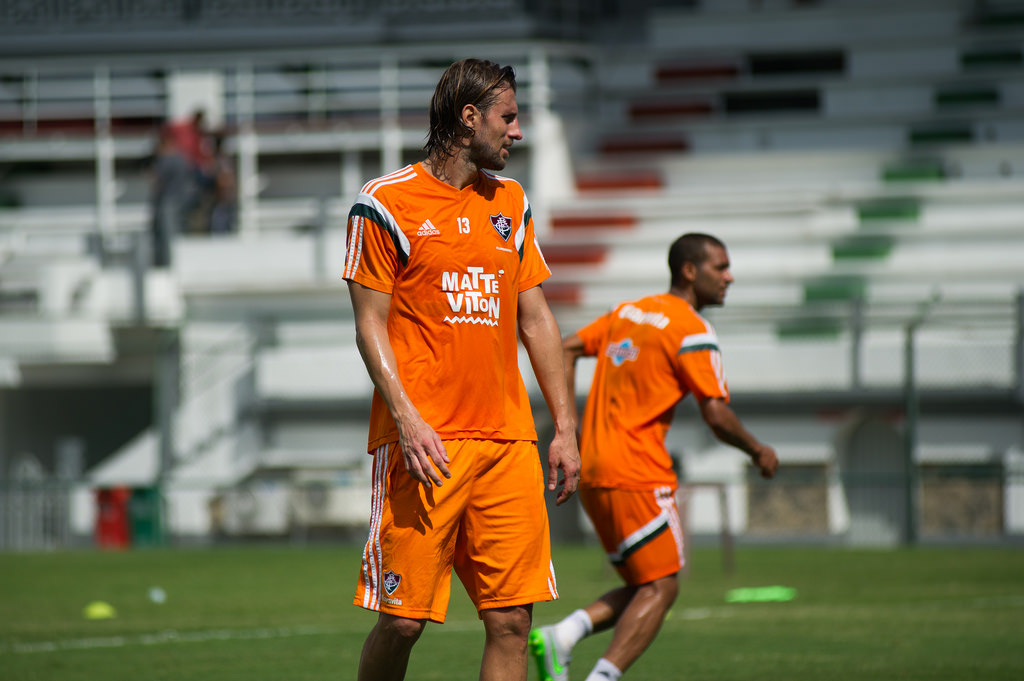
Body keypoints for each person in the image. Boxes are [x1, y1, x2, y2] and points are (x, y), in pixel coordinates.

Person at [342, 58, 582, 681]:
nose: (518, 132)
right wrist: (406, 416)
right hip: (426, 445)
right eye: (509, 116)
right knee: (402, 622)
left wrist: (564, 426)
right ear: (468, 117)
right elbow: (369, 324)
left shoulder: (511, 201)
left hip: (507, 445)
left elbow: (536, 321)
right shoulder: (385, 202)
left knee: (511, 622)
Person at [529, 233, 779, 681]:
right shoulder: (692, 330)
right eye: (720, 267)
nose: (729, 276)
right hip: (639, 471)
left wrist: (569, 429)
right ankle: (601, 677)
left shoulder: (628, 312)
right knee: (663, 587)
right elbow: (717, 415)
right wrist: (758, 450)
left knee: (646, 583)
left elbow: (565, 348)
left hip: (595, 467)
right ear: (689, 270)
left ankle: (563, 636)